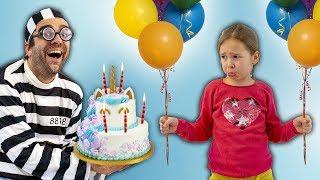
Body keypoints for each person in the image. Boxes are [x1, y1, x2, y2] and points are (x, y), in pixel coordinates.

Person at [159, 23, 312, 180]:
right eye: (223, 56)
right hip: (222, 175)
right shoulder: (213, 89)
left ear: (255, 57)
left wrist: (294, 127)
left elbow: (274, 132)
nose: (229, 64)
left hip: (261, 174)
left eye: (236, 56)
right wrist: (178, 126)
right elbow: (202, 130)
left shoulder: (264, 91)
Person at [0, 7, 125, 180]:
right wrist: (92, 167)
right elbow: (22, 151)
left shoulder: (73, 92)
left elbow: (69, 147)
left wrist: (105, 157)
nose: (58, 40)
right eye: (47, 33)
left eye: (65, 34)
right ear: (28, 47)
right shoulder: (6, 83)